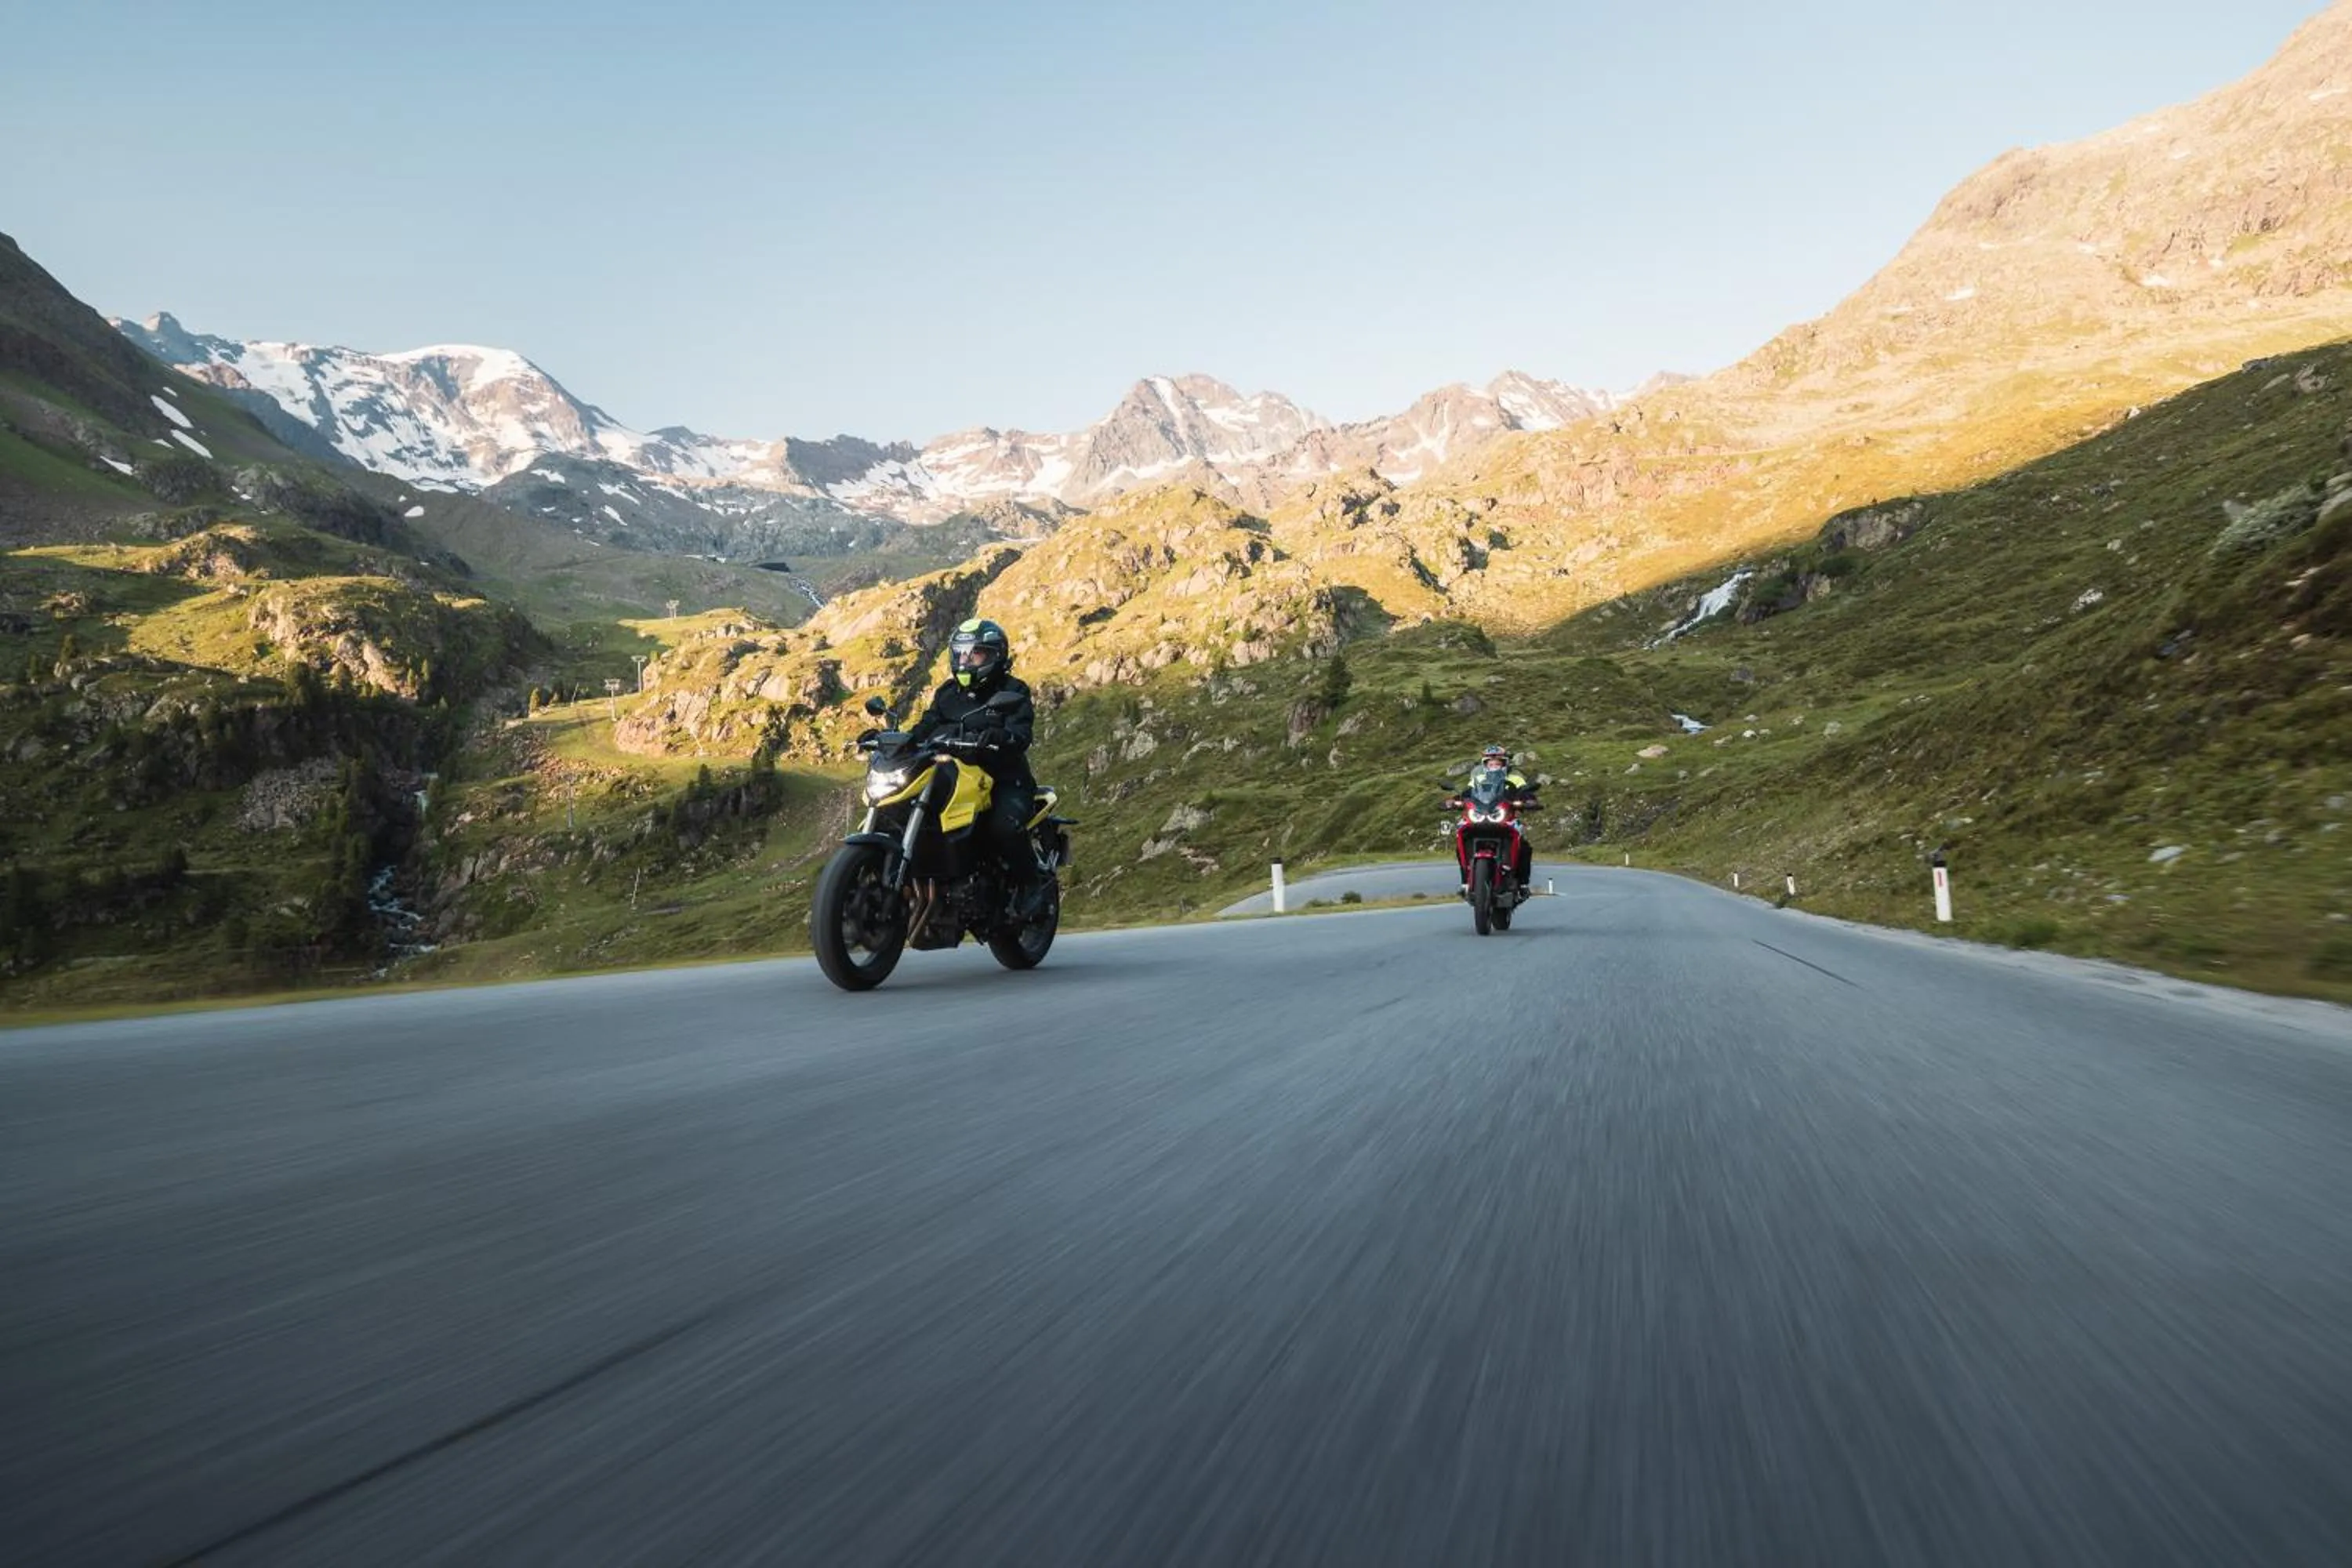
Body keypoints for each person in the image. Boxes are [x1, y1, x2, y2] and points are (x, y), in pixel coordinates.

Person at [909, 618, 1047, 920]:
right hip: (951, 777)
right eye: (960, 654)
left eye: (975, 654)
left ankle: (1030, 885)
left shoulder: (1014, 690)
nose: (965, 661)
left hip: (1003, 779)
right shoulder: (948, 693)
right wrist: (897, 740)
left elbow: (1021, 734)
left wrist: (999, 737)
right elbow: (926, 726)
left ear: (996, 656)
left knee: (1003, 827)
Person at [1460, 744, 1538, 895]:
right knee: (1462, 837)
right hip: (1481, 817)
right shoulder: (1478, 779)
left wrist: (1529, 801)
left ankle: (1523, 884)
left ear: (1504, 764)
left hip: (1506, 818)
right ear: (1485, 765)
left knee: (1524, 847)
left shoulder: (1515, 779)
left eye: (1498, 763)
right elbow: (1466, 794)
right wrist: (1455, 801)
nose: (1494, 766)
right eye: (1490, 763)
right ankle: (1465, 881)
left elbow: (1526, 793)